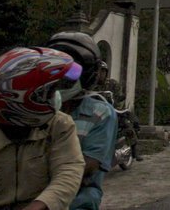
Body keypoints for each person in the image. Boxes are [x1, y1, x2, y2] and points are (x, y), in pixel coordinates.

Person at [0, 47, 86, 210]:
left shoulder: (60, 125)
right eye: (48, 93)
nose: (55, 97)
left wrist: (40, 205)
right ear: (22, 101)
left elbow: (69, 170)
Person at [47, 32, 118, 210]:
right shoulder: (40, 106)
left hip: (77, 200)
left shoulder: (100, 113)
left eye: (71, 71)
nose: (62, 77)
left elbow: (89, 165)